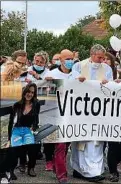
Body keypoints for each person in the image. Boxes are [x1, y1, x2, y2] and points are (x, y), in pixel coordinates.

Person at [70, 44, 112, 182]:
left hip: (99, 110)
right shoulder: (78, 66)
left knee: (96, 141)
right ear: (92, 54)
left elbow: (112, 87)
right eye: (99, 57)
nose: (102, 60)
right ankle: (78, 169)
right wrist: (78, 80)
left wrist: (109, 83)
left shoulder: (107, 68)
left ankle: (94, 171)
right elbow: (71, 82)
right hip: (82, 109)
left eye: (103, 57)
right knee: (81, 140)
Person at [44, 49, 79, 183]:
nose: (70, 61)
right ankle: (62, 174)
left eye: (72, 59)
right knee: (60, 144)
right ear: (61, 59)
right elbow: (42, 92)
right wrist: (47, 82)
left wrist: (83, 82)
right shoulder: (52, 73)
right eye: (68, 58)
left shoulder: (76, 74)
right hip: (56, 114)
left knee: (66, 144)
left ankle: (57, 165)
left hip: (71, 113)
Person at [8, 83, 40, 177]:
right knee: (15, 149)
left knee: (32, 147)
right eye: (28, 91)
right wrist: (9, 138)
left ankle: (31, 168)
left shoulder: (36, 104)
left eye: (32, 92)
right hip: (16, 130)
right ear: (24, 92)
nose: (29, 94)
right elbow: (10, 122)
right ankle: (11, 171)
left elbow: (36, 119)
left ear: (34, 94)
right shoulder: (17, 105)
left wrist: (34, 128)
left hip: (27, 130)